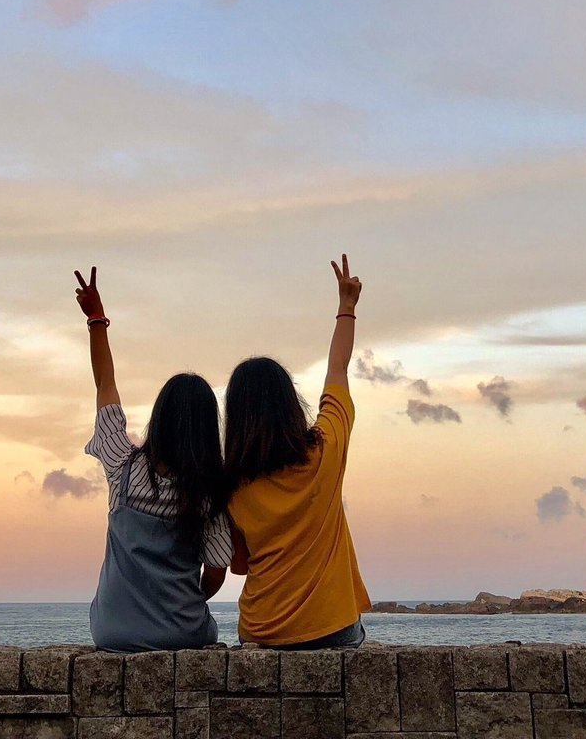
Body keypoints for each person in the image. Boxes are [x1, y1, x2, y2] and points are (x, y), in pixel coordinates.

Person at [75, 265, 231, 652]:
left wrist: (97, 320)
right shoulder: (210, 496)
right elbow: (214, 574)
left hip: (113, 632)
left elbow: (105, 384)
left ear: (159, 418)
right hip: (179, 630)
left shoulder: (121, 466)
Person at [224, 253, 371, 648]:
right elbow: (337, 370)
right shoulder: (325, 449)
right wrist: (346, 308)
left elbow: (239, 565)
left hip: (261, 630)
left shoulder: (232, 485)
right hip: (331, 627)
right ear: (291, 403)